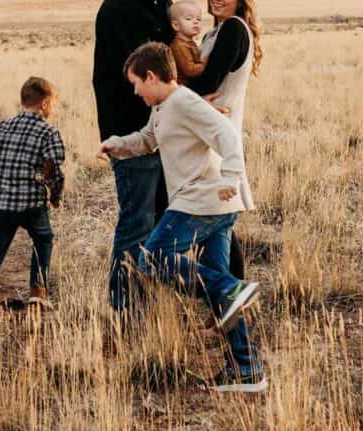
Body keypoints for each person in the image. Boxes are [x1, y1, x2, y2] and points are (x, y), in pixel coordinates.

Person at [98, 42, 266, 393]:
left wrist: (230, 177)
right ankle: (247, 370)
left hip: (200, 201)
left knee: (153, 259)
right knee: (222, 293)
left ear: (152, 76)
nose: (135, 91)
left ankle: (232, 288)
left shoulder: (184, 102)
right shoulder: (163, 108)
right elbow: (148, 139)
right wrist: (117, 143)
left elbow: (226, 132)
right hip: (213, 208)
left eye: (136, 84)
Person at [92, 0, 173, 311]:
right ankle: (125, 308)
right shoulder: (119, 8)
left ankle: (148, 299)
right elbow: (146, 73)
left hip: (159, 134)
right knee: (137, 223)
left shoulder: (162, 2)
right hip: (130, 134)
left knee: (158, 220)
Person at [187, 0, 263, 280]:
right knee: (214, 226)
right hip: (209, 134)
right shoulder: (214, 33)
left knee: (218, 226)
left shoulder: (233, 29)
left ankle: (232, 300)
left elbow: (209, 83)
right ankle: (227, 302)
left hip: (217, 138)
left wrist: (170, 90)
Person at [0, 76, 65, 308]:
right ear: (44, 105)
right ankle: (37, 292)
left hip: (1, 204)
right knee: (43, 240)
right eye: (52, 104)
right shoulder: (48, 132)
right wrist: (54, 193)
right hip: (32, 203)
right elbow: (51, 169)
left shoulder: (4, 126)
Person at [169, 0, 206, 84]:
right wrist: (206, 63)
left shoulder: (190, 43)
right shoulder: (179, 46)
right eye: (189, 19)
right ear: (176, 25)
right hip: (183, 87)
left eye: (199, 19)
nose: (196, 22)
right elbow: (190, 70)